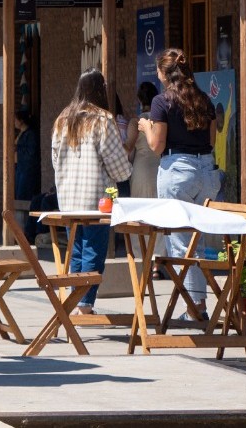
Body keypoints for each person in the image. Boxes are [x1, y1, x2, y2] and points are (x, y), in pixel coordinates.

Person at [144, 48, 224, 325]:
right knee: (197, 242)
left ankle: (195, 308)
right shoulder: (204, 100)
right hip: (206, 171)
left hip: (177, 171)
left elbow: (157, 145)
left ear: (163, 73)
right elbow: (212, 142)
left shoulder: (161, 101)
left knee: (180, 243)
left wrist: (145, 128)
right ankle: (198, 304)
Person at [49, 70, 132, 315]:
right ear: (100, 90)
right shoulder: (103, 119)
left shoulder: (62, 119)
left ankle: (75, 302)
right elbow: (117, 163)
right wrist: (125, 173)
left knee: (74, 250)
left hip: (67, 199)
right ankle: (85, 304)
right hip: (98, 199)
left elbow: (55, 160)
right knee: (93, 250)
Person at [129, 81, 160, 198]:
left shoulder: (135, 122)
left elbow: (130, 153)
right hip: (160, 169)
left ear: (139, 100)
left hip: (140, 171)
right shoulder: (161, 122)